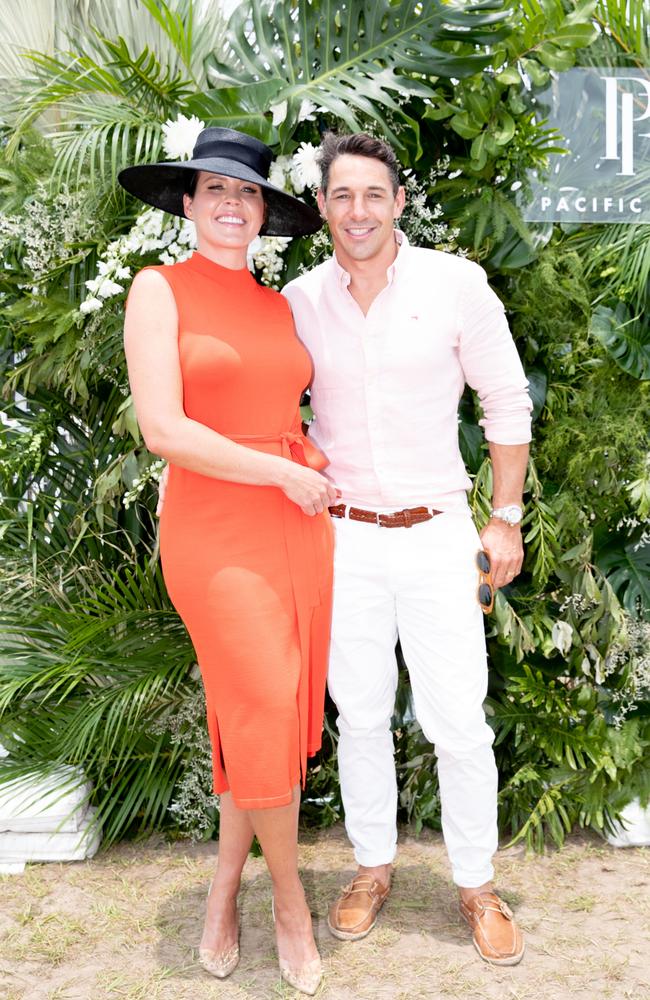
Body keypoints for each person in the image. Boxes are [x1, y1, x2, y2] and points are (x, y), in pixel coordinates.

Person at [282, 131, 532, 966]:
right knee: (358, 717)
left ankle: (476, 884)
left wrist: (506, 516)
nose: (359, 211)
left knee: (457, 720)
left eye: (373, 195)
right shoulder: (299, 300)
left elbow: (505, 400)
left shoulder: (456, 285)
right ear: (322, 207)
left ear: (399, 201)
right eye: (342, 196)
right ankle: (370, 869)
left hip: (435, 536)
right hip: (342, 538)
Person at [119, 127, 337, 996]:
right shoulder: (157, 291)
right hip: (216, 530)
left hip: (296, 529)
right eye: (215, 189)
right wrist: (281, 469)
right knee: (256, 705)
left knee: (267, 716)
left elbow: (288, 405)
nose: (231, 205)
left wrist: (308, 465)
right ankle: (287, 903)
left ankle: (221, 887)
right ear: (186, 201)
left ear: (262, 212)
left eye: (247, 193)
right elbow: (164, 431)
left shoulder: (280, 306)